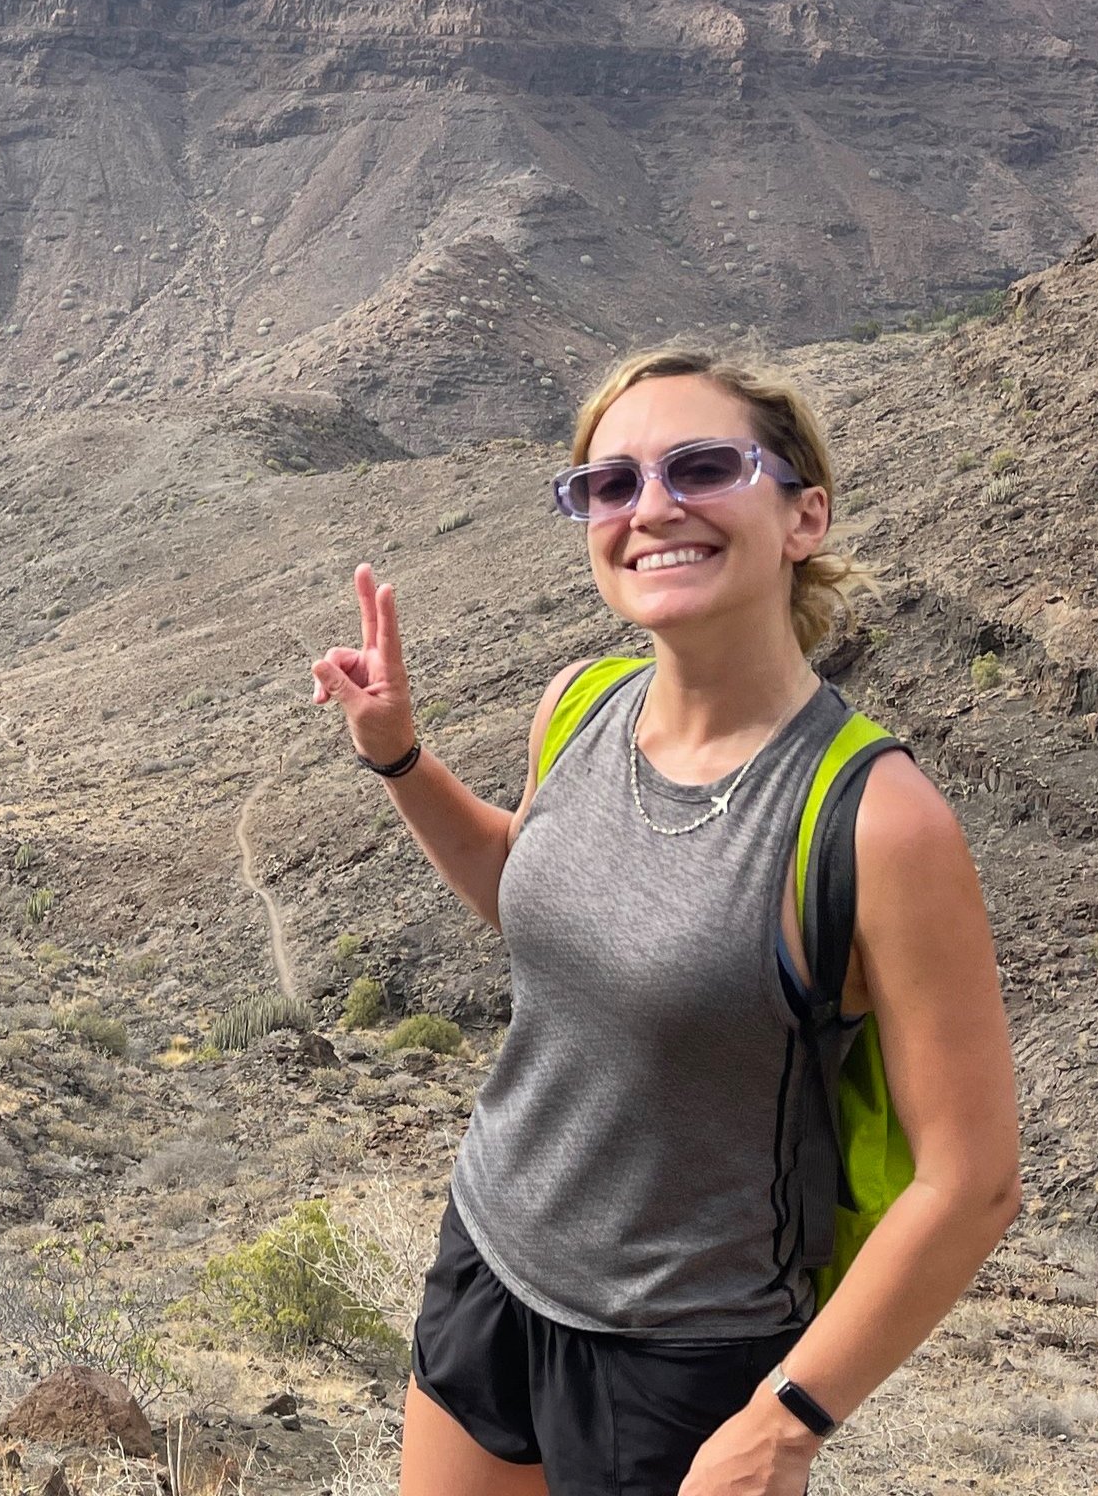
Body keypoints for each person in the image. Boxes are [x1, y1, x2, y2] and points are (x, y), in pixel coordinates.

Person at [309, 348, 1020, 1496]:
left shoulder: (877, 820)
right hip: (492, 1256)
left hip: (685, 1356)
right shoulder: (581, 701)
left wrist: (785, 1421)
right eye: (610, 482)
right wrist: (397, 753)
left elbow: (972, 1175)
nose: (652, 507)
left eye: (699, 466)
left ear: (802, 511)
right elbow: (526, 892)